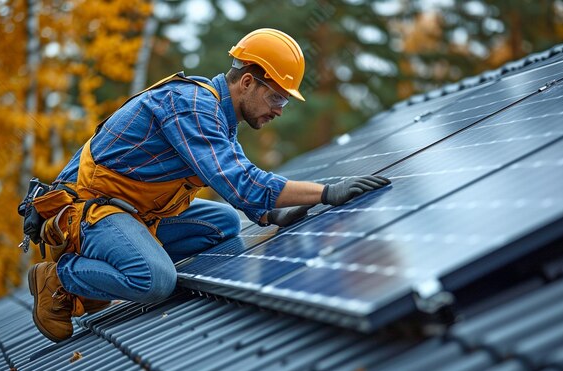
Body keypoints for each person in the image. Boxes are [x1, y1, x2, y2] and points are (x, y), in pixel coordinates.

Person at [28, 28, 391, 342]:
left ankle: (116, 264)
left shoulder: (220, 119)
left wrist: (272, 212)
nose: (280, 109)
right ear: (248, 81)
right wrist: (327, 192)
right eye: (277, 97)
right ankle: (60, 279)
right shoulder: (191, 106)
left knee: (225, 224)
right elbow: (242, 183)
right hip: (86, 213)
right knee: (155, 281)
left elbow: (248, 191)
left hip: (131, 213)